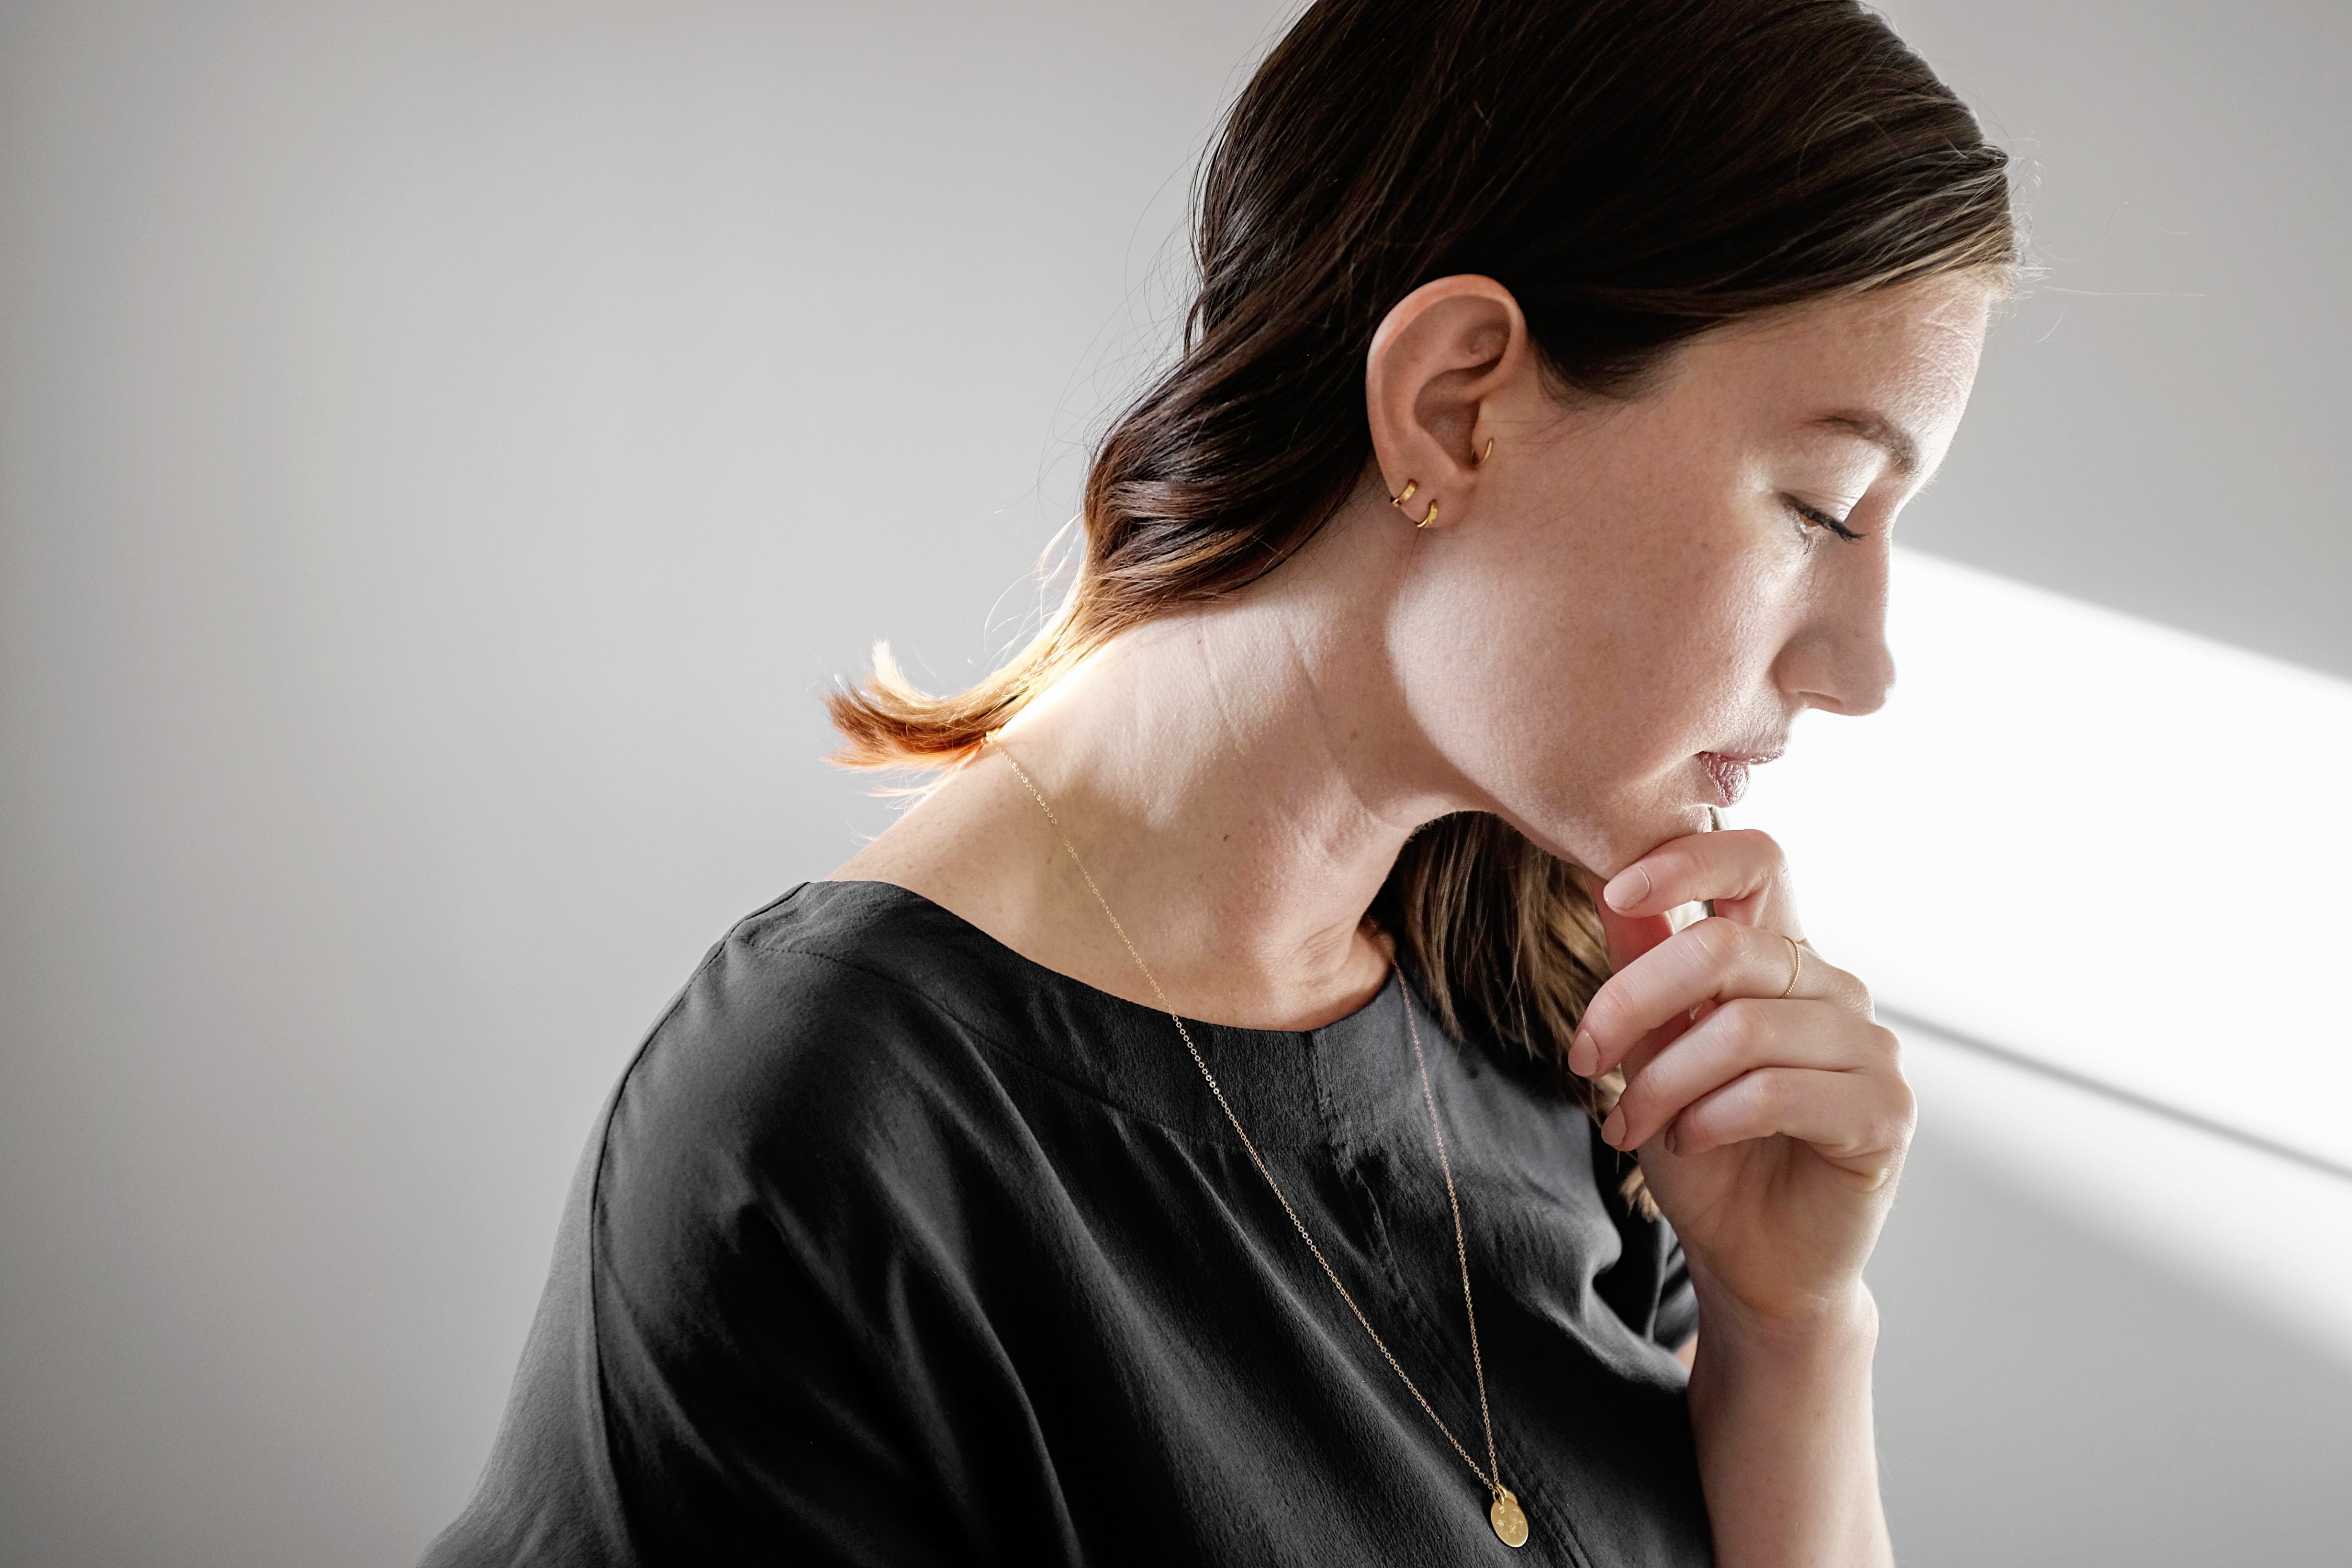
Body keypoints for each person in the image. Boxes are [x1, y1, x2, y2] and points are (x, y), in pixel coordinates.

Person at [425, 1, 2013, 1562]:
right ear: (1454, 407)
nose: (1865, 665)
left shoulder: (1567, 1007)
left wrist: (1793, 1331)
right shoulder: (828, 1142)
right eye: (1822, 505)